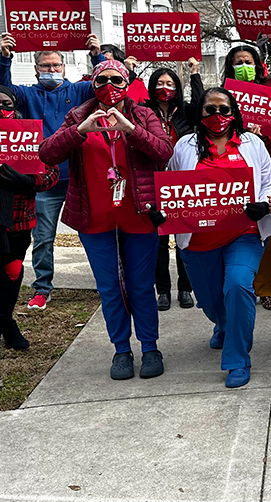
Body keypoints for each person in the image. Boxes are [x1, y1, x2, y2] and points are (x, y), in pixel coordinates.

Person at [39, 60, 173, 381]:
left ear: (127, 82)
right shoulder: (78, 116)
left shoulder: (143, 114)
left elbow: (164, 150)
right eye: (101, 81)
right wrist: (78, 132)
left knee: (141, 286)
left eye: (116, 79)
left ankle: (150, 347)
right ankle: (121, 350)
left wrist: (131, 129)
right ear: (92, 84)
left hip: (138, 216)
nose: (108, 86)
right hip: (95, 219)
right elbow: (47, 153)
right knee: (110, 288)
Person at [169, 87, 271, 388]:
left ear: (234, 112)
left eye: (224, 109)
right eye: (210, 110)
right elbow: (174, 185)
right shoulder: (185, 146)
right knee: (210, 300)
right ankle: (224, 324)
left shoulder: (252, 143)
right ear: (200, 113)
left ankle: (238, 358)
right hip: (198, 240)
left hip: (244, 233)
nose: (218, 116)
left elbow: (267, 180)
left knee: (239, 286)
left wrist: (264, 202)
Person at [0, 31, 104, 310]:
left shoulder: (79, 90)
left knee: (95, 234)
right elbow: (1, 91)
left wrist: (96, 55)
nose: (51, 70)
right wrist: (5, 58)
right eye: (45, 66)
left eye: (56, 65)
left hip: (80, 176)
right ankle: (42, 288)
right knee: (43, 238)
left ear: (64, 67)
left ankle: (107, 284)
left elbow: (105, 84)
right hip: (44, 182)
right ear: (36, 69)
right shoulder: (27, 95)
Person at [0, 85, 60, 360]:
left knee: (10, 270)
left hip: (18, 219)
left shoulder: (31, 134)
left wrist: (28, 180)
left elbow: (51, 173)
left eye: (6, 104)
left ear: (15, 106)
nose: (0, 110)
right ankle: (8, 326)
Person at [222, 42, 271, 310]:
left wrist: (262, 134)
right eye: (238, 62)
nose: (244, 67)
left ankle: (268, 289)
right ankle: (240, 285)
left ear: (258, 66)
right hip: (231, 172)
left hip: (266, 169)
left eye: (248, 62)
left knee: (268, 233)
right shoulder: (223, 95)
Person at [142, 66, 195, 312]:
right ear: (152, 87)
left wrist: (194, 75)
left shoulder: (186, 112)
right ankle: (162, 290)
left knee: (185, 239)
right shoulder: (144, 112)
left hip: (182, 183)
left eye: (170, 83)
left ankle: (186, 288)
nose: (165, 88)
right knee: (160, 241)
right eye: (160, 83)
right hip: (153, 182)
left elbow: (201, 99)